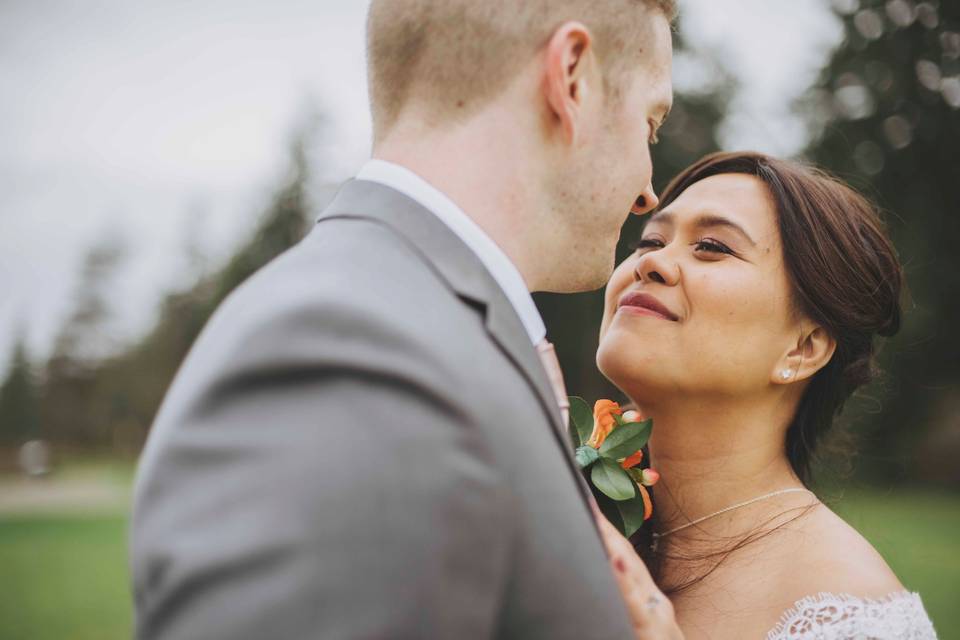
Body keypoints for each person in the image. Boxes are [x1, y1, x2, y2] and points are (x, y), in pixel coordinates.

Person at [130, 0, 682, 638]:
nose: (649, 190)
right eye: (651, 123)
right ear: (573, 77)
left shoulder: (423, 324)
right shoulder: (344, 350)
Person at [597, 151, 938, 639]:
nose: (651, 262)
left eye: (712, 246)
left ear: (803, 348)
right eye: (649, 240)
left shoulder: (849, 615)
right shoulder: (566, 513)